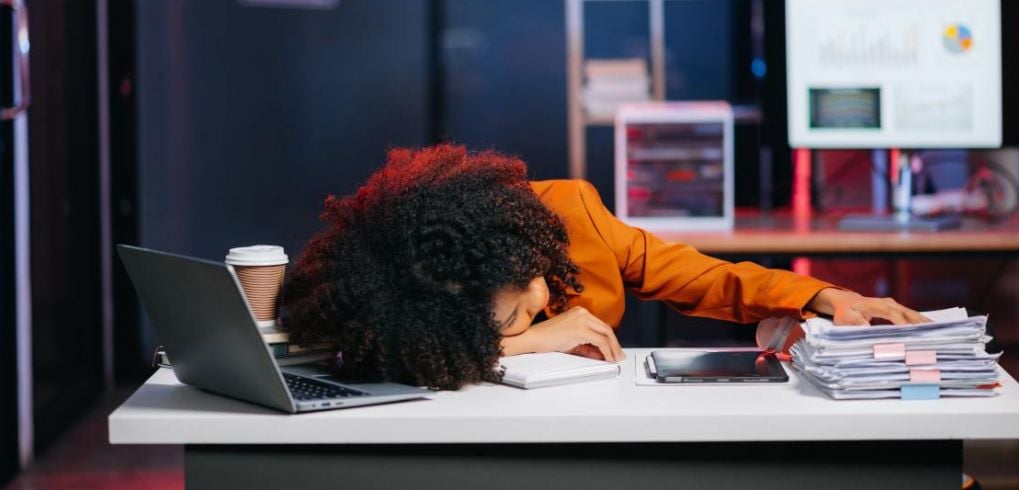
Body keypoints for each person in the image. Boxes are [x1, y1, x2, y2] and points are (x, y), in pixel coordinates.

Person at [281, 144, 928, 390]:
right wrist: (532, 339)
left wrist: (821, 297)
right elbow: (377, 345)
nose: (540, 294)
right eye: (516, 310)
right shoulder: (411, 292)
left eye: (532, 280)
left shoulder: (572, 213)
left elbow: (701, 275)